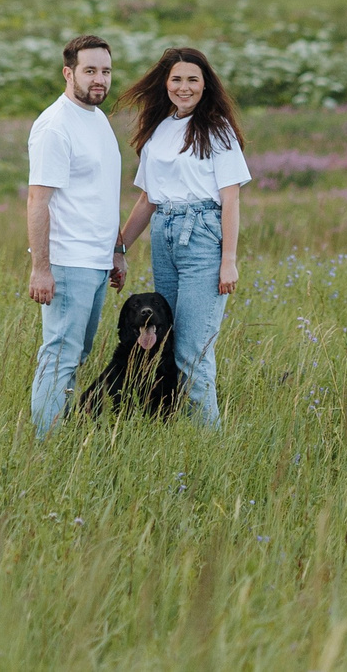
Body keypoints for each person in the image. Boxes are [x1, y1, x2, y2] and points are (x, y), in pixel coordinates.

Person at [113, 46, 249, 427]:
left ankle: (208, 443)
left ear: (206, 85)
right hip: (165, 236)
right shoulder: (159, 129)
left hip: (203, 237)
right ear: (166, 83)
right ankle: (171, 429)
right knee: (167, 343)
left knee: (193, 350)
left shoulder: (217, 129)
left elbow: (231, 199)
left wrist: (229, 261)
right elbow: (148, 199)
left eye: (193, 79)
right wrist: (119, 248)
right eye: (177, 79)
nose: (184, 87)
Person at [25, 34, 120, 436]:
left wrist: (116, 252)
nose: (99, 79)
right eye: (90, 71)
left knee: (76, 356)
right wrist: (41, 268)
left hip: (97, 262)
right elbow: (37, 201)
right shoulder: (54, 126)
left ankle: (59, 431)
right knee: (60, 357)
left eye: (106, 71)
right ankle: (45, 448)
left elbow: (102, 193)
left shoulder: (97, 119)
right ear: (69, 73)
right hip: (68, 263)